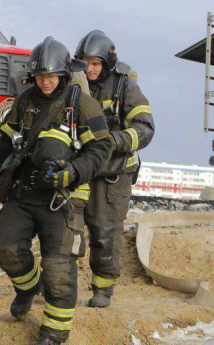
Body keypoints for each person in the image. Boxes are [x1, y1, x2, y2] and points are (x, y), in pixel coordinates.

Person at [0, 37, 112, 345]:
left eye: (51, 76)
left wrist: (72, 172)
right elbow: (5, 141)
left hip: (63, 201)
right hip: (24, 194)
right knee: (5, 249)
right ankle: (28, 287)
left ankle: (53, 334)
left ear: (64, 74)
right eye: (41, 76)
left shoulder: (82, 104)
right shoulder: (25, 101)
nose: (46, 82)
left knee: (59, 269)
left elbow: (101, 148)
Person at [75, 30, 155, 308]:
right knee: (67, 232)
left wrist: (115, 140)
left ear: (107, 62)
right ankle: (62, 286)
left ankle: (103, 290)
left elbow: (145, 129)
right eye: (85, 62)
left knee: (104, 232)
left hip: (112, 175)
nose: (90, 68)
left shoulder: (125, 87)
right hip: (80, 171)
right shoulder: (74, 85)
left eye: (95, 63)